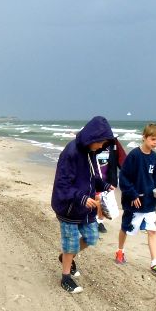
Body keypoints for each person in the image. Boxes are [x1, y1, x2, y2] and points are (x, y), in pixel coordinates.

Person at [51, 116, 115, 293]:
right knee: (71, 243)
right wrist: (80, 197)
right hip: (69, 207)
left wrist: (104, 185)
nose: (101, 146)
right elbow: (62, 184)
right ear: (92, 138)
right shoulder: (70, 152)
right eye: (100, 142)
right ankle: (65, 278)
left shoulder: (91, 152)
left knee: (91, 238)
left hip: (86, 208)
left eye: (104, 143)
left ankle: (66, 257)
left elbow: (93, 177)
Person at [116, 123, 156, 275]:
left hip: (149, 201)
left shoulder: (154, 157)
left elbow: (154, 176)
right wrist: (132, 194)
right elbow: (124, 177)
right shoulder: (134, 155)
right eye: (153, 139)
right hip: (133, 201)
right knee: (125, 228)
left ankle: (155, 262)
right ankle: (120, 251)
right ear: (144, 138)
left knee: (152, 230)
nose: (155, 143)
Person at [95, 137, 126, 233]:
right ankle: (97, 221)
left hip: (108, 179)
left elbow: (123, 160)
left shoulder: (114, 143)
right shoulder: (92, 141)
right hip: (94, 177)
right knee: (97, 199)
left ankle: (99, 221)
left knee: (105, 204)